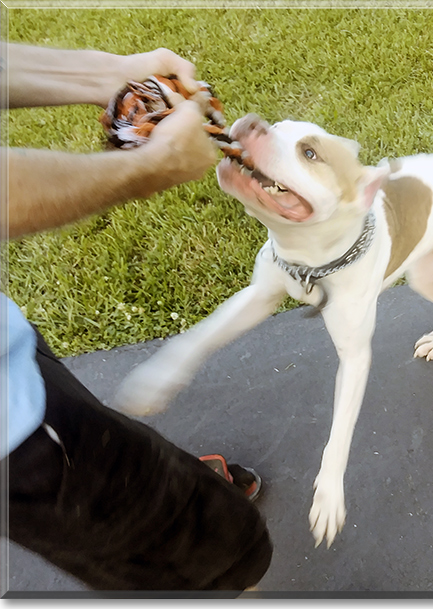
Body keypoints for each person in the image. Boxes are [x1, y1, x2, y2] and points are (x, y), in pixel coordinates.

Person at [0, 42, 272, 593]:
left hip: (12, 368)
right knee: (218, 562)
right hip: (15, 439)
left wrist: (112, 73)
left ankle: (159, 485)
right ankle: (167, 520)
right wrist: (150, 166)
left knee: (54, 397)